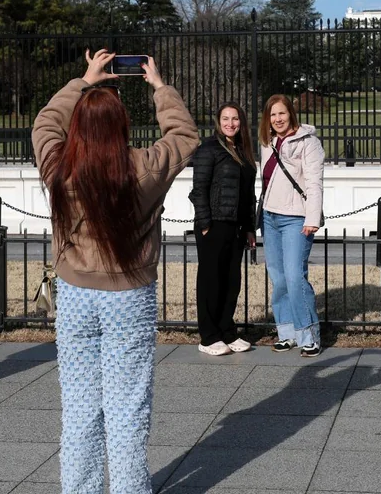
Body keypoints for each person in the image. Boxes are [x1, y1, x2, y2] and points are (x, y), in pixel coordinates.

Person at [32, 50, 198, 494]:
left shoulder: (58, 168)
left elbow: (44, 124)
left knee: (81, 407)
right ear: (122, 127)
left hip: (76, 295)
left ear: (78, 129)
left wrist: (84, 80)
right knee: (127, 407)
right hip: (129, 296)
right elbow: (184, 134)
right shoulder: (144, 168)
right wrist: (159, 87)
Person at [257, 94, 325, 357]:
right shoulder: (267, 142)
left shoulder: (308, 143)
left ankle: (308, 334)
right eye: (273, 115)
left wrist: (312, 218)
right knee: (279, 278)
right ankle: (287, 333)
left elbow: (314, 183)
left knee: (296, 277)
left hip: (295, 218)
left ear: (291, 114)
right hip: (270, 217)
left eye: (282, 113)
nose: (277, 119)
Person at [188, 103, 257, 356]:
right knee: (211, 280)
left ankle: (227, 331)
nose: (231, 123)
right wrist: (205, 224)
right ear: (219, 121)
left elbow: (249, 195)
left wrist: (250, 227)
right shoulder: (209, 149)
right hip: (213, 224)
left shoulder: (244, 151)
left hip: (236, 226)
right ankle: (208, 336)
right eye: (226, 119)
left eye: (235, 119)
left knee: (231, 281)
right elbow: (199, 190)